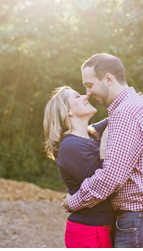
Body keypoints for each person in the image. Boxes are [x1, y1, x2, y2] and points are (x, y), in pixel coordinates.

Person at [62, 54, 143, 248]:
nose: (88, 92)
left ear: (108, 79)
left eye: (90, 85)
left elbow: (111, 177)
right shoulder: (134, 106)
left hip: (142, 216)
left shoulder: (126, 112)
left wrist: (73, 202)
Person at [44, 87, 113, 248]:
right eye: (77, 96)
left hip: (102, 227)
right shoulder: (71, 146)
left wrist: (136, 101)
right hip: (90, 232)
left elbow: (120, 114)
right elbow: (104, 186)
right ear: (67, 111)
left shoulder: (91, 134)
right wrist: (103, 150)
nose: (86, 95)